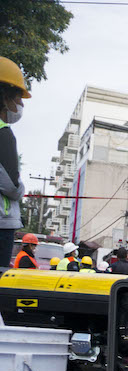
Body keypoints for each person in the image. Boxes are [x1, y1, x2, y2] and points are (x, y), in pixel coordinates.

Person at [0, 57, 29, 269]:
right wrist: (22, 189)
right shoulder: (3, 132)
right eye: (18, 97)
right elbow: (11, 186)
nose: (20, 104)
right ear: (4, 95)